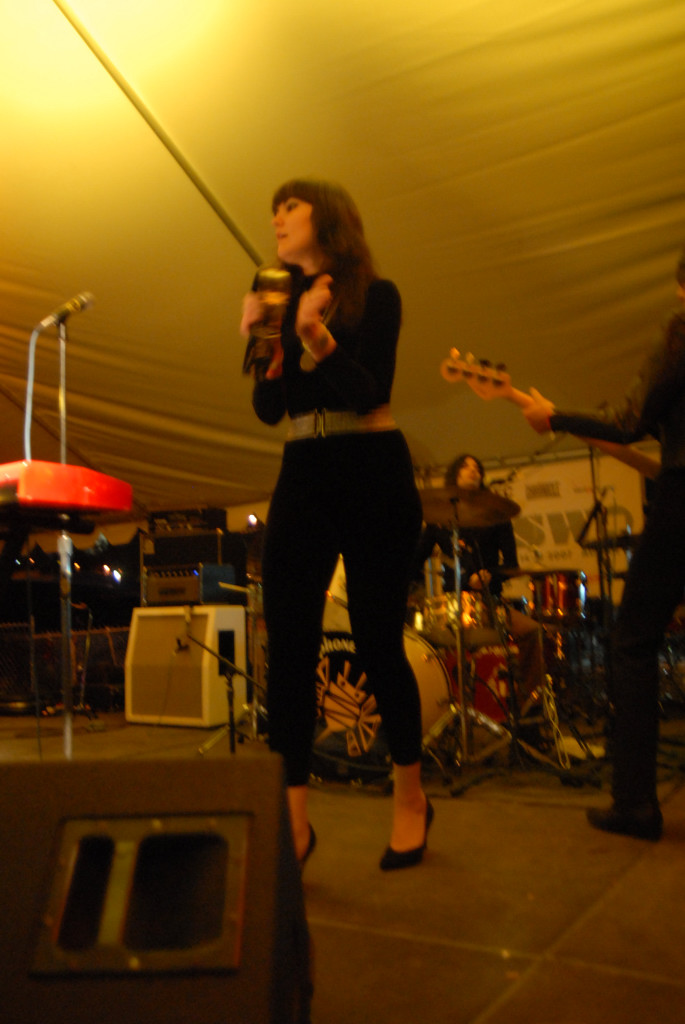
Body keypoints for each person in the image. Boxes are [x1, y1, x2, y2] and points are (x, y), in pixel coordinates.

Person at [239, 178, 432, 871]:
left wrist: (315, 334)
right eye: (274, 209)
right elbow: (269, 411)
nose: (277, 217)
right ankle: (293, 822)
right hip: (304, 469)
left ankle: (410, 796)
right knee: (289, 645)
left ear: (327, 218)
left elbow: (369, 391)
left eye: (290, 206)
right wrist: (266, 340)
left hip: (372, 466)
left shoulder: (376, 296)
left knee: (378, 641)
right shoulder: (278, 301)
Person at [520, 248, 685, 840]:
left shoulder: (679, 335)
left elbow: (627, 420)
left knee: (632, 643)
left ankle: (635, 802)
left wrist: (555, 416)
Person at [414, 454, 545, 704]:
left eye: (477, 467)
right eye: (466, 466)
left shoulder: (496, 516)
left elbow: (511, 564)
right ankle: (436, 702)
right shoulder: (439, 520)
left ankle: (530, 702)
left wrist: (490, 576)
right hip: (450, 605)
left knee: (532, 631)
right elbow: (414, 562)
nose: (473, 470)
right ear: (455, 474)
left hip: (489, 603)